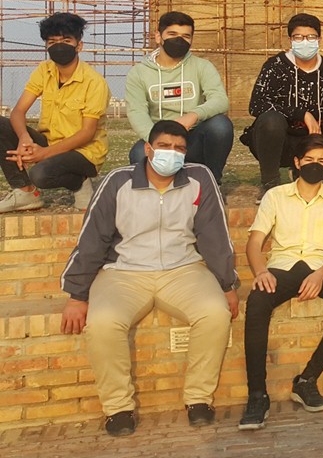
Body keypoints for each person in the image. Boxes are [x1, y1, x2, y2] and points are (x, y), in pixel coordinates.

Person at [59, 120, 237, 437]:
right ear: (148, 149)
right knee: (103, 323)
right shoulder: (118, 181)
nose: (172, 153)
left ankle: (198, 399)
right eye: (165, 146)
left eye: (180, 148)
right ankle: (118, 408)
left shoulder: (199, 178)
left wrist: (227, 285)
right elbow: (92, 239)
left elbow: (215, 235)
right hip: (124, 272)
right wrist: (77, 295)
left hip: (183, 269)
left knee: (215, 314)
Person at [238, 134, 323, 430]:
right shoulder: (276, 196)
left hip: (321, 266)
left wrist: (320, 275)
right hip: (282, 266)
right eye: (309, 160)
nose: (315, 165)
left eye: (321, 161)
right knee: (257, 303)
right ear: (296, 162)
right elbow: (254, 243)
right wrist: (261, 272)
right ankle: (257, 395)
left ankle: (307, 380)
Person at [240, 13, 323, 200]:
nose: (305, 42)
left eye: (311, 37)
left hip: (311, 143)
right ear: (290, 40)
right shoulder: (275, 67)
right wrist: (301, 114)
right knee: (271, 120)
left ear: (319, 39)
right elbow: (256, 104)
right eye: (298, 37)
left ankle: (300, 174)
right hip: (276, 141)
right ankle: (270, 183)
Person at [0, 12, 110, 213]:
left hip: (83, 152)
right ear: (46, 46)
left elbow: (87, 133)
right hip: (50, 142)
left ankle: (79, 182)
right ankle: (24, 191)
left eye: (66, 41)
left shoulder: (94, 82)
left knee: (41, 174)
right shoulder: (45, 70)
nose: (59, 46)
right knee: (2, 125)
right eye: (52, 42)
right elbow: (18, 111)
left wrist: (43, 154)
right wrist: (24, 138)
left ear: (79, 45)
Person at [125, 11, 233, 184]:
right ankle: (159, 191)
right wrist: (159, 140)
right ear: (158, 36)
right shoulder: (138, 73)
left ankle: (211, 183)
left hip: (193, 138)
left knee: (220, 126)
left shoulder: (202, 66)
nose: (179, 40)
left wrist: (193, 116)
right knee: (138, 154)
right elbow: (137, 113)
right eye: (172, 34)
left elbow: (220, 99)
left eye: (185, 36)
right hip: (159, 137)